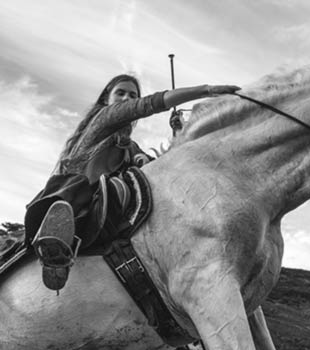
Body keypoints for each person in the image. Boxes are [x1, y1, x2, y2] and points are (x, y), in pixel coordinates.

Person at [24, 73, 239, 291]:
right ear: (106, 98)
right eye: (120, 93)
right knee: (92, 193)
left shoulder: (130, 146)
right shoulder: (104, 117)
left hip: (109, 206)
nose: (127, 98)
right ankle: (55, 245)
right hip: (78, 195)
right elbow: (149, 104)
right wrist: (206, 90)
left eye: (132, 95)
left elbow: (158, 168)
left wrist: (178, 135)